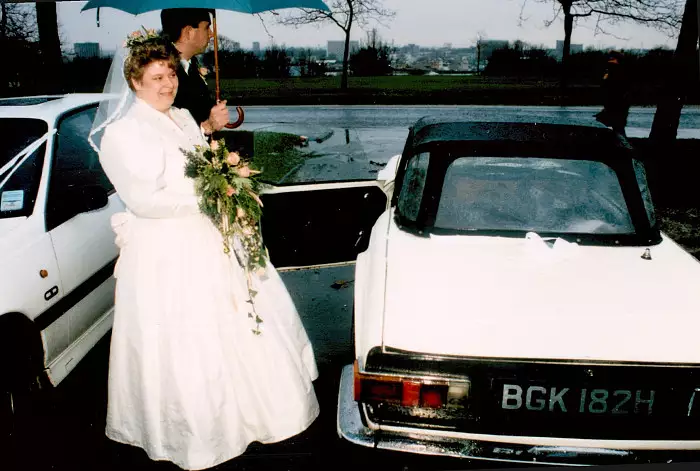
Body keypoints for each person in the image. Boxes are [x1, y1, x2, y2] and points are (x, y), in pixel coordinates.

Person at [89, 33, 320, 471]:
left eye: (171, 74)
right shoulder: (122, 133)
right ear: (134, 82)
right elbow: (144, 201)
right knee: (186, 338)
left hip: (209, 235)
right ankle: (196, 434)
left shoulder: (182, 118)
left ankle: (251, 413)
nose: (167, 84)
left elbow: (200, 166)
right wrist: (214, 199)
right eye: (156, 77)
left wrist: (217, 156)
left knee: (237, 322)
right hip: (165, 249)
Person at [160, 7, 230, 136]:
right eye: (206, 28)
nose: (212, 34)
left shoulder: (191, 67)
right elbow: (164, 130)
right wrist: (208, 126)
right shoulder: (162, 73)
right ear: (188, 32)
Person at [594, 50, 630, 136]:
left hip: (616, 102)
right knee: (618, 126)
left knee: (618, 126)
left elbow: (607, 85)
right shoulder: (616, 70)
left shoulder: (615, 71)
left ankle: (622, 143)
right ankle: (621, 142)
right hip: (616, 102)